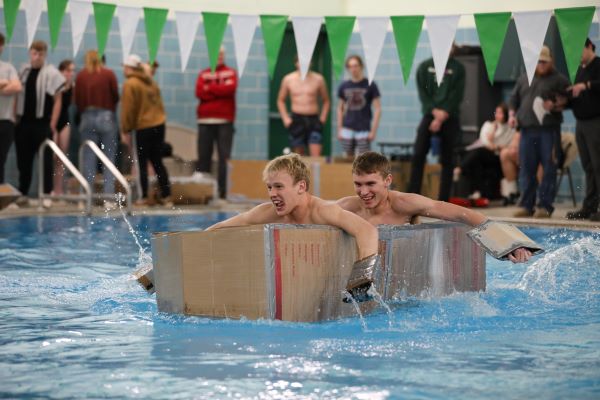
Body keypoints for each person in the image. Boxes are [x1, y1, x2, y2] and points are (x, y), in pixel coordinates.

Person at [337, 151, 532, 263]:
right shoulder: (347, 207)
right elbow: (311, 210)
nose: (363, 192)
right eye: (358, 184)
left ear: (388, 180)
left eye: (370, 184)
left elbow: (463, 214)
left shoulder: (404, 204)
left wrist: (510, 243)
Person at [206, 153, 379, 259]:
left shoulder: (322, 211)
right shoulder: (268, 213)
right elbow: (222, 227)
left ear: (301, 187)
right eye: (269, 187)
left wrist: (362, 277)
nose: (272, 194)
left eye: (279, 186)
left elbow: (367, 231)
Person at [509, 45, 569, 218]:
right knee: (526, 168)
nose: (541, 65)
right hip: (526, 130)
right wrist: (512, 114)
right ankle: (527, 205)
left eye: (544, 62)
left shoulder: (559, 79)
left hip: (548, 131)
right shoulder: (524, 77)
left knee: (549, 167)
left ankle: (544, 206)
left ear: (550, 62)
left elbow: (570, 100)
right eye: (538, 62)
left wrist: (556, 104)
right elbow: (513, 99)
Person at [408, 44, 465, 202]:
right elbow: (423, 94)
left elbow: (456, 95)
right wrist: (434, 113)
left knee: (448, 159)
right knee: (418, 154)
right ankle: (412, 197)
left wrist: (441, 117)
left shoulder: (458, 68)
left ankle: (444, 200)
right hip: (430, 114)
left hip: (449, 116)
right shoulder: (424, 67)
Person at [15, 40, 65, 204]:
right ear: (30, 53)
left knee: (45, 160)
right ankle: (23, 192)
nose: (37, 57)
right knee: (23, 160)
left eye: (40, 54)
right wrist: (15, 117)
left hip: (42, 123)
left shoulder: (51, 73)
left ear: (45, 55)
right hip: (24, 123)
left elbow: (58, 100)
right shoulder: (24, 70)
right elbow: (17, 95)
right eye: (34, 53)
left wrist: (52, 123)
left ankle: (47, 193)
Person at [121, 54, 171, 206]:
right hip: (159, 125)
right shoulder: (151, 82)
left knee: (141, 163)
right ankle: (166, 195)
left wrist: (126, 128)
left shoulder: (131, 84)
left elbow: (128, 109)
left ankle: (142, 197)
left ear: (128, 67)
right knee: (157, 161)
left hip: (143, 128)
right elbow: (160, 105)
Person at [74, 50, 119, 203]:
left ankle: (86, 197)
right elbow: (115, 96)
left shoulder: (81, 76)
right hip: (106, 116)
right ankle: (109, 198)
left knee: (88, 158)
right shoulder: (109, 74)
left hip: (87, 116)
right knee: (109, 158)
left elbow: (78, 100)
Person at [195, 47, 238, 199]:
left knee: (223, 157)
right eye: (215, 54)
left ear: (224, 56)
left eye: (220, 54)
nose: (218, 57)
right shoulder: (203, 73)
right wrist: (220, 88)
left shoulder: (231, 72)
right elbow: (199, 92)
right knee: (203, 155)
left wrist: (210, 88)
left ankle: (222, 191)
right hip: (205, 120)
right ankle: (203, 192)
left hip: (224, 120)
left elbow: (230, 89)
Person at [565, 38, 600, 222]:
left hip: (596, 122)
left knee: (598, 165)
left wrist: (586, 86)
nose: (577, 57)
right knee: (588, 166)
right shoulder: (580, 70)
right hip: (581, 122)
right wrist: (560, 103)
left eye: (579, 51)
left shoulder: (598, 64)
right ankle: (589, 206)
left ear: (588, 47)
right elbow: (576, 97)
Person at [453, 103, 514, 202]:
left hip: (496, 157)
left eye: (500, 113)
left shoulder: (509, 128)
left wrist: (493, 145)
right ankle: (478, 192)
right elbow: (485, 140)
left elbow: (506, 145)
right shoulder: (489, 125)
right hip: (484, 153)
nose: (497, 115)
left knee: (478, 152)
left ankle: (459, 169)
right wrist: (493, 137)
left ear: (506, 115)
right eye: (496, 112)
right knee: (476, 159)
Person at [277, 55, 330, 156]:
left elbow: (326, 100)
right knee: (298, 156)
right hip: (297, 119)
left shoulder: (318, 79)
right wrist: (286, 119)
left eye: (306, 61)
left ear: (311, 63)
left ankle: (315, 172)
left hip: (313, 119)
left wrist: (322, 118)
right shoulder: (288, 79)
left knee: (316, 154)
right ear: (296, 63)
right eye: (300, 61)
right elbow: (280, 100)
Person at [336, 55, 381, 157]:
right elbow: (340, 108)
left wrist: (373, 131)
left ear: (361, 66)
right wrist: (339, 129)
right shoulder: (344, 86)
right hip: (347, 127)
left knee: (364, 158)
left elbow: (378, 109)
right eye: (350, 66)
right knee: (347, 158)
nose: (353, 69)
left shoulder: (370, 85)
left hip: (363, 128)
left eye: (356, 65)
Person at [51, 59, 75, 196]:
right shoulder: (55, 84)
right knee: (52, 157)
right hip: (54, 122)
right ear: (61, 71)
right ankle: (50, 188)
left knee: (61, 158)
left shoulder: (72, 86)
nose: (70, 74)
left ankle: (59, 190)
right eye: (68, 71)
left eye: (72, 71)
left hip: (65, 122)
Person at [0, 32, 22, 184]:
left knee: (0, 160)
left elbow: (17, 86)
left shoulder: (8, 67)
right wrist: (4, 84)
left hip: (6, 121)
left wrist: (4, 84)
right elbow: (11, 86)